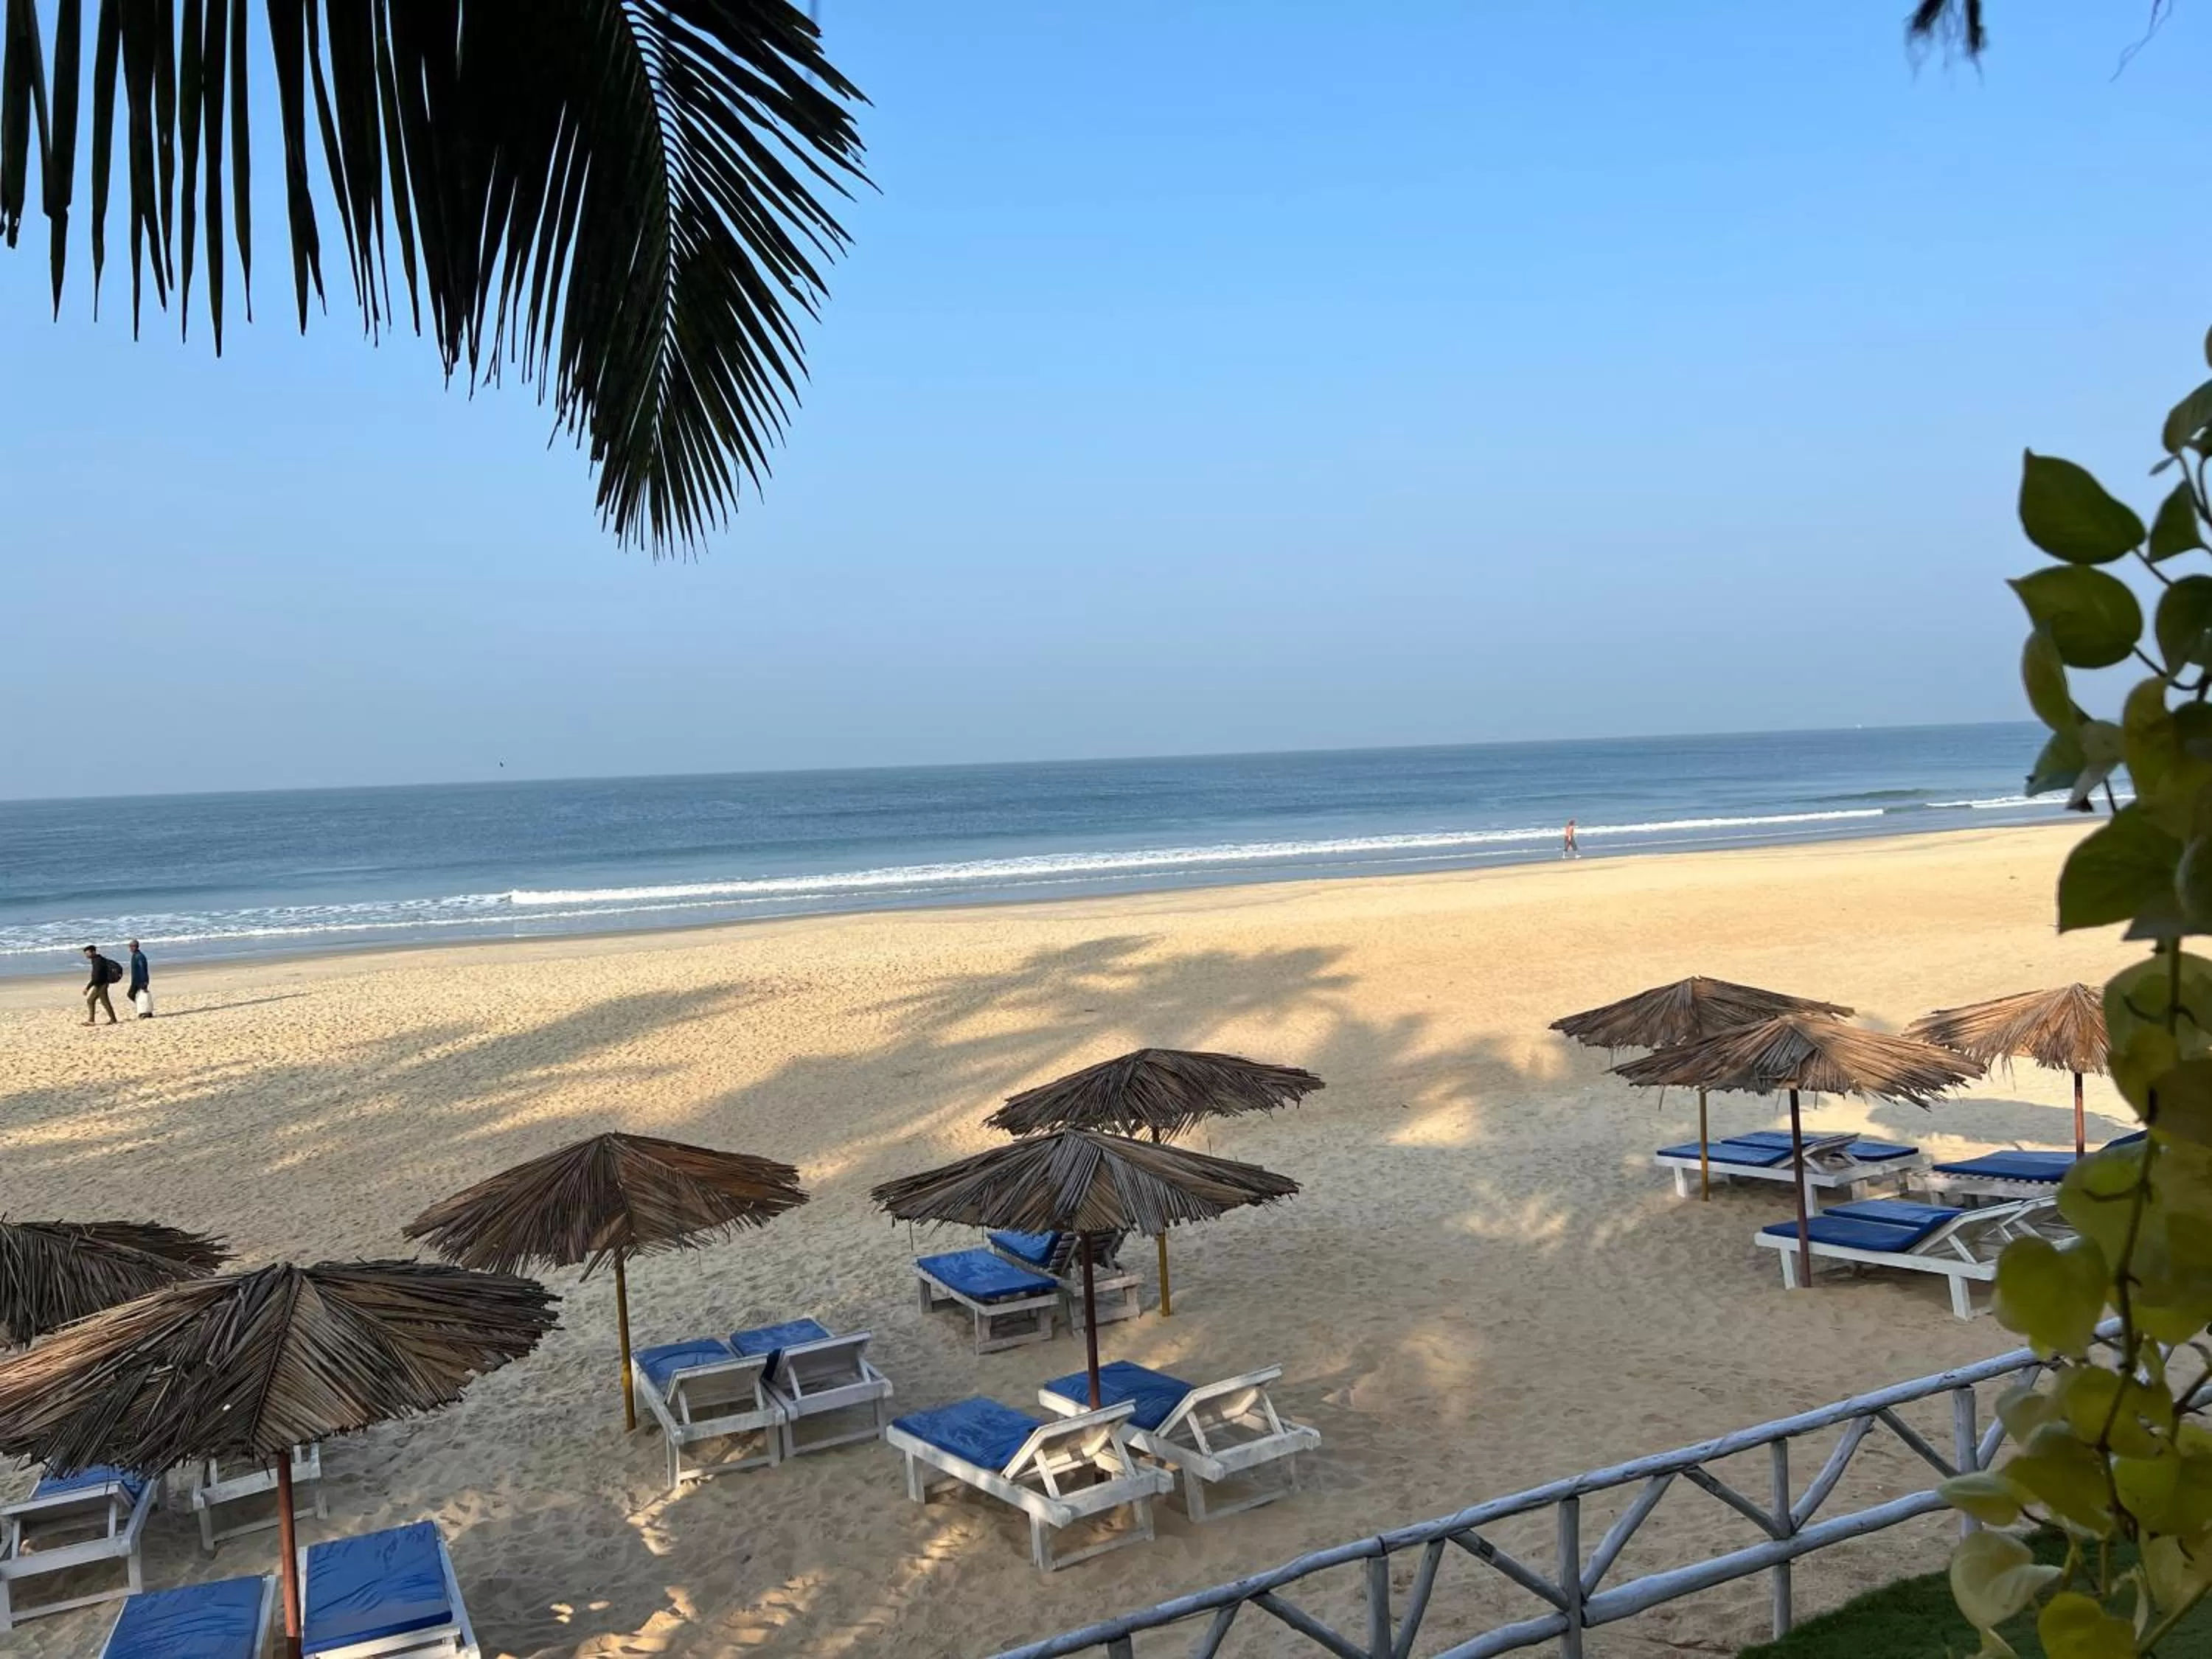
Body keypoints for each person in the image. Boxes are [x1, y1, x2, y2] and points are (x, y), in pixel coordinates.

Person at [81, 945, 122, 1025]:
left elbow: (96, 977)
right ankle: (112, 1019)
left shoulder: (97, 961)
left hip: (101, 984)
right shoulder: (98, 959)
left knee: (94, 1001)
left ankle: (92, 1021)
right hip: (102, 983)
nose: (87, 955)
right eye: (86, 954)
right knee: (101, 1001)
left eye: (88, 953)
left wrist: (88, 988)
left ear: (93, 952)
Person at [127, 939, 153, 1018]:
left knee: (132, 994)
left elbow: (142, 969)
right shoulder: (135, 955)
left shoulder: (139, 956)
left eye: (132, 946)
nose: (130, 948)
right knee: (138, 995)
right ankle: (145, 1010)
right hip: (136, 980)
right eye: (130, 946)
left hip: (140, 980)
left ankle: (144, 1011)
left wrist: (144, 982)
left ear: (136, 947)